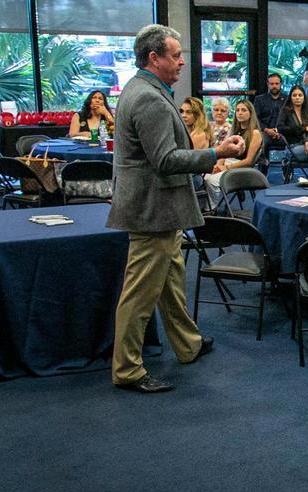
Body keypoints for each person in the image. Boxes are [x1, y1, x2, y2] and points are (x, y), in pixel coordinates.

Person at [107, 24, 243, 393]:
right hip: (153, 210)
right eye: (175, 55)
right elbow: (165, 159)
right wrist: (217, 153)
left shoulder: (142, 89)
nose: (182, 61)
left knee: (171, 282)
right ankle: (128, 370)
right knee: (140, 294)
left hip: (158, 208)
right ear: (154, 58)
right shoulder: (149, 98)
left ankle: (187, 343)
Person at [203, 99, 263, 208]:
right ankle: (204, 207)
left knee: (210, 180)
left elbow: (249, 161)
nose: (240, 113)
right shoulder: (235, 131)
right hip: (229, 163)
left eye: (244, 110)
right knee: (204, 175)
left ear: (250, 113)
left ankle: (211, 210)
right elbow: (225, 153)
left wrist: (225, 167)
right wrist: (219, 165)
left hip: (242, 168)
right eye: (238, 110)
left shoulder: (255, 133)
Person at [277, 86, 308, 166]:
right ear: (290, 97)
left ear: (304, 97)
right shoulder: (285, 111)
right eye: (294, 95)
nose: (297, 98)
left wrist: (307, 141)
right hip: (292, 147)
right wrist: (303, 129)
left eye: (300, 95)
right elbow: (280, 128)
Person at [254, 73, 287, 149]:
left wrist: (278, 130)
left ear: (280, 84)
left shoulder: (287, 99)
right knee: (258, 140)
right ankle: (262, 160)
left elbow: (290, 119)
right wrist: (266, 130)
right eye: (271, 84)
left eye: (276, 83)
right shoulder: (259, 99)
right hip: (264, 132)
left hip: (282, 133)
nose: (274, 86)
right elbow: (255, 119)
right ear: (267, 84)